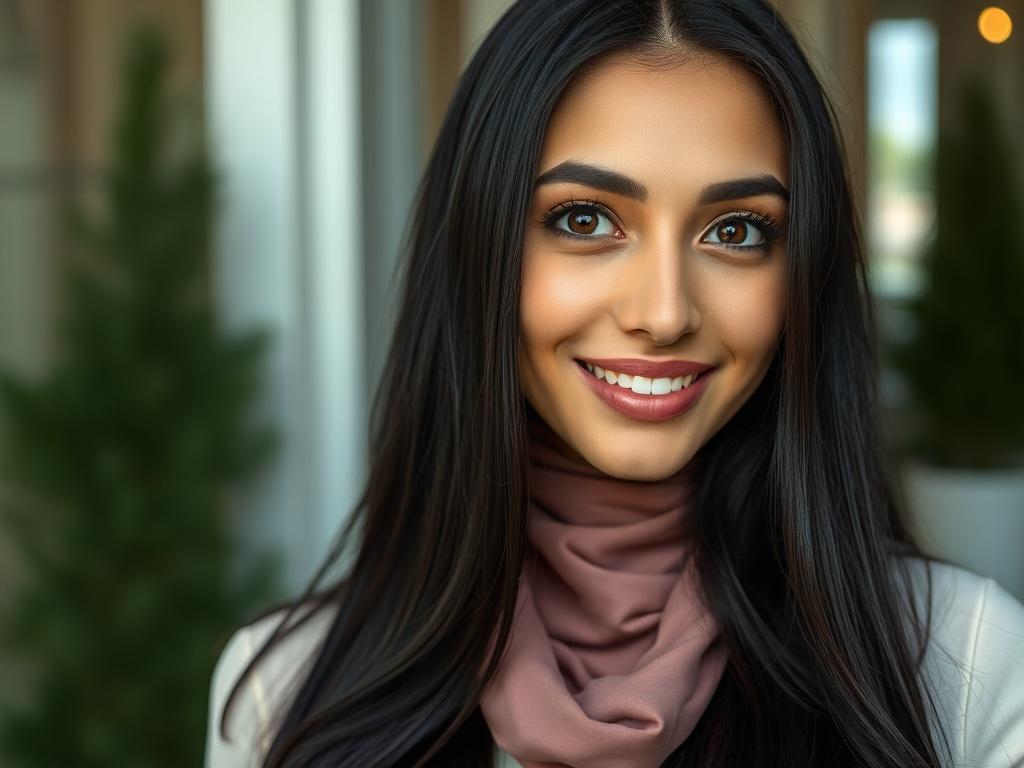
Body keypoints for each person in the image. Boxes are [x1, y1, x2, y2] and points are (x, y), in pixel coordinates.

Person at [205, 0, 1024, 766]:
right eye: (585, 219)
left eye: (736, 231)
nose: (664, 313)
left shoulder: (965, 665)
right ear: (479, 250)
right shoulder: (285, 697)